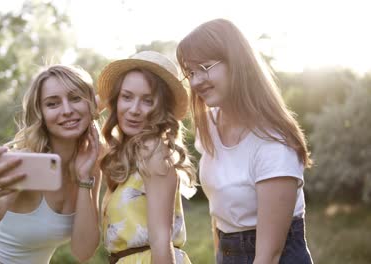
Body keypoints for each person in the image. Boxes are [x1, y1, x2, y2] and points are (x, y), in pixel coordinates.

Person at [176, 19, 314, 264]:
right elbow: (219, 213)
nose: (196, 81)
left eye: (205, 67)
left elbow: (268, 256)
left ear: (237, 64)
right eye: (191, 72)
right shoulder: (209, 125)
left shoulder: (274, 142)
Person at [0, 65, 101, 264]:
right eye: (53, 104)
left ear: (89, 104)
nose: (67, 110)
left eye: (76, 98)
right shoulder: (25, 160)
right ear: (41, 114)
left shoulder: (91, 167)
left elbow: (83, 252)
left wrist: (85, 178)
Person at [98, 51, 196, 264]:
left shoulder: (152, 151)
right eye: (126, 97)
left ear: (161, 107)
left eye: (147, 100)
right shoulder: (130, 155)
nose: (134, 110)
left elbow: (161, 240)